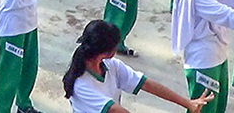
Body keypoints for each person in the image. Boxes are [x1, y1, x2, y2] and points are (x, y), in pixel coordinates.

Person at [63, 20, 211, 113]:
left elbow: (146, 84)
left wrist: (187, 103)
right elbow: (115, 110)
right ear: (108, 52)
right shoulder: (81, 84)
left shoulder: (111, 65)